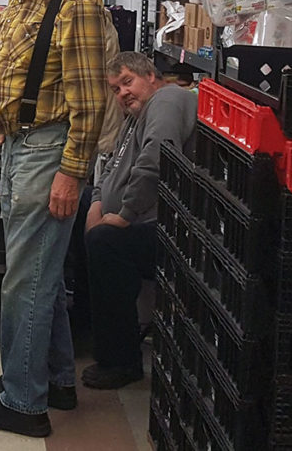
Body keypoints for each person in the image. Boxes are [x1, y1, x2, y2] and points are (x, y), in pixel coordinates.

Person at [0, 0, 108, 438]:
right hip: (19, 145)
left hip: (48, 153)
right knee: (40, 272)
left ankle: (23, 404)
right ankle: (57, 380)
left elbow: (89, 101)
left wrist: (70, 173)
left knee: (25, 280)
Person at [83, 52, 196, 389]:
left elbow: (157, 158)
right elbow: (110, 166)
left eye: (127, 82)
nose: (122, 94)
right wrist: (97, 203)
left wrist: (123, 215)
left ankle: (121, 360)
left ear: (150, 75)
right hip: (130, 216)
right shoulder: (134, 117)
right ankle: (85, 327)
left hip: (165, 230)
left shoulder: (167, 99)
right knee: (71, 215)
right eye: (116, 89)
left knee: (104, 243)